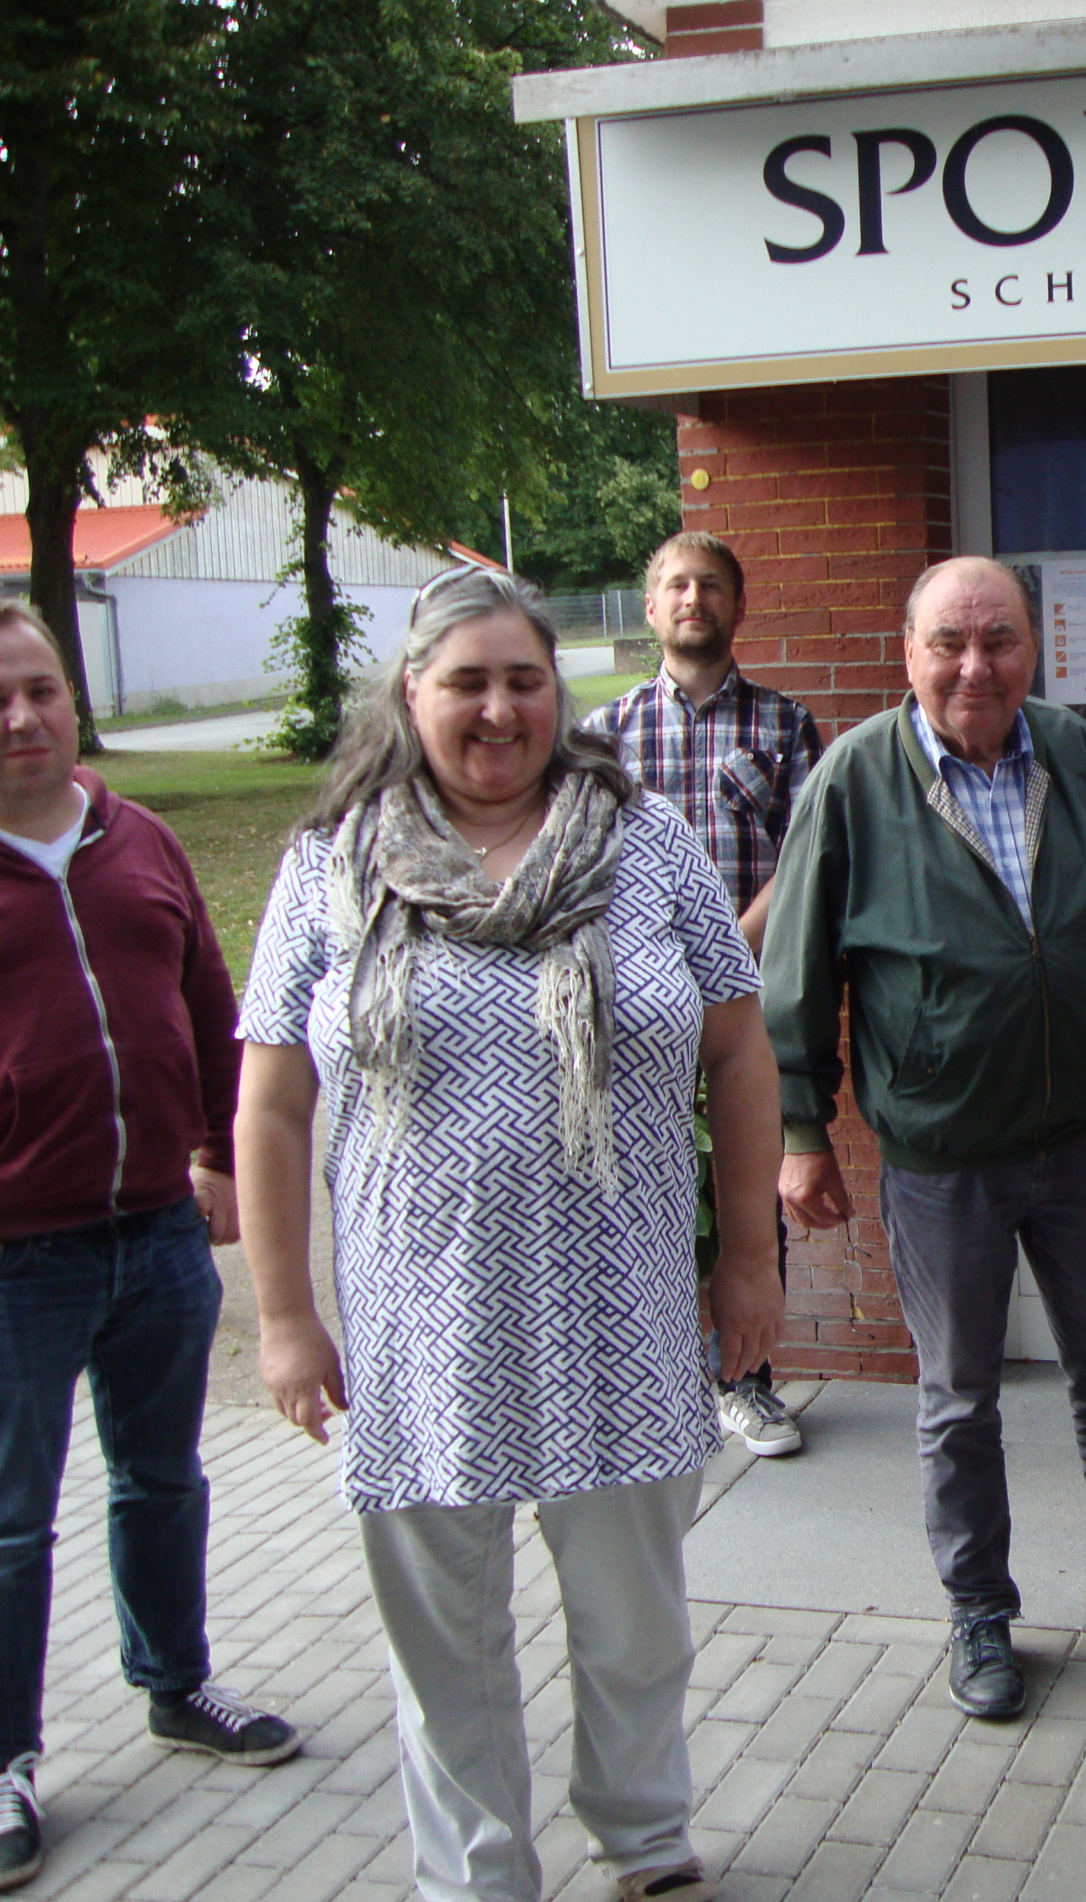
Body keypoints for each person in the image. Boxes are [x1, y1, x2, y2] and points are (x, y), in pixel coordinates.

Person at [235, 567, 783, 1902]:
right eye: (464, 681)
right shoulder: (332, 863)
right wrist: (285, 1315)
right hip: (420, 1329)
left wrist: (750, 1259)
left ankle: (645, 1837)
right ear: (409, 695)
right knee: (444, 1644)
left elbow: (740, 1043)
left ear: (561, 690)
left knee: (634, 1626)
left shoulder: (644, 844)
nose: (497, 707)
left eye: (522, 678)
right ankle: (479, 1874)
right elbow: (270, 1098)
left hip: (622, 1310)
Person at [766, 555, 1086, 1721]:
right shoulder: (855, 778)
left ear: (1033, 647)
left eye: (998, 640)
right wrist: (801, 1129)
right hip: (943, 1153)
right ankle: (979, 1616)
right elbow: (795, 967)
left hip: (1080, 1141)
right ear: (907, 652)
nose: (974, 665)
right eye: (949, 642)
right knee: (960, 1398)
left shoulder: (1065, 747)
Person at [0, 598, 299, 1894]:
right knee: (2, 1524)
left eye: (39, 689)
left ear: (69, 695)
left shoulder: (135, 839)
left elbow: (214, 1011)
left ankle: (177, 1684)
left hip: (155, 1239)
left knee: (162, 1483)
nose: (22, 717)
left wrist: (216, 1150)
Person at [585, 529, 823, 1458]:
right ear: (650, 608)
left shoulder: (783, 725)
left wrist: (722, 947)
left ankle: (746, 1380)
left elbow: (803, 856)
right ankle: (657, 1370)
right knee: (646, 1177)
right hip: (635, 1005)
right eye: (676, 586)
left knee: (746, 1179)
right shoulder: (602, 736)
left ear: (737, 605)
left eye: (711, 586)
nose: (693, 599)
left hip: (742, 999)